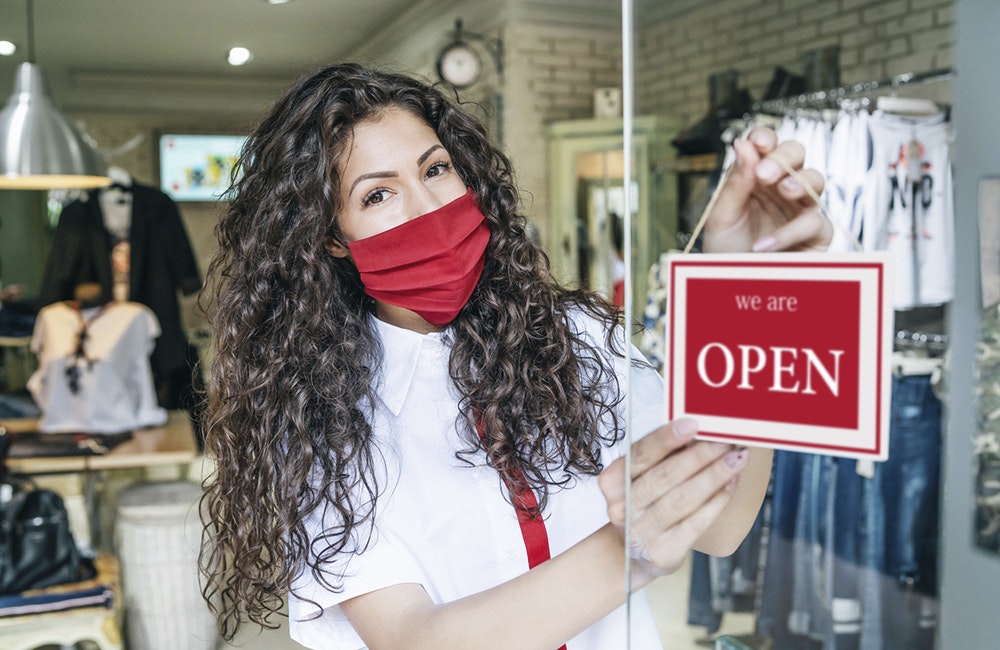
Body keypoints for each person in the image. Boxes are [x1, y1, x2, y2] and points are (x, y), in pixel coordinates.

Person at [198, 62, 831, 650]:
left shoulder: (574, 336)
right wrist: (629, 551)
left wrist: (749, 286)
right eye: (377, 195)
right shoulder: (318, 422)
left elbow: (724, 527)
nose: (429, 208)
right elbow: (417, 639)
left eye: (436, 169)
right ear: (330, 238)